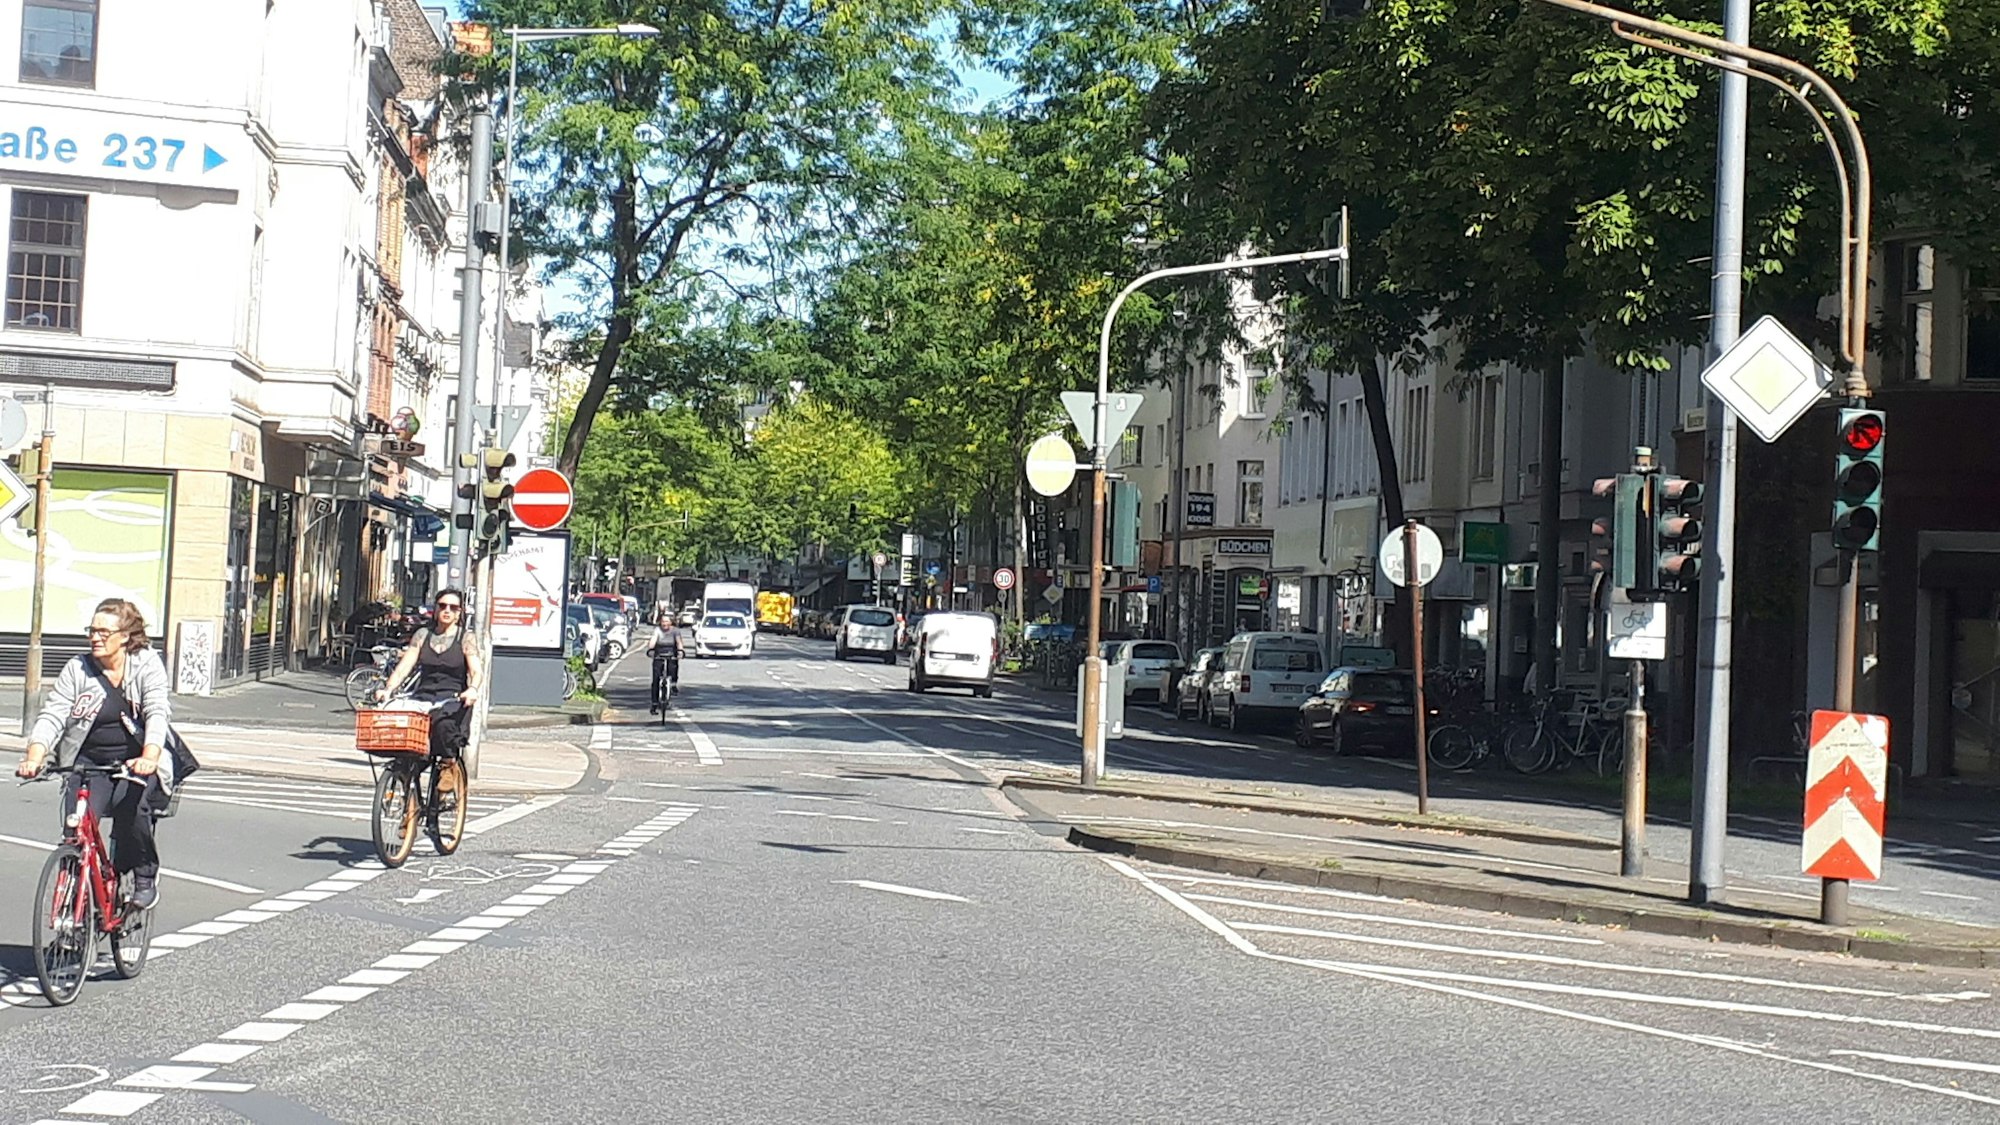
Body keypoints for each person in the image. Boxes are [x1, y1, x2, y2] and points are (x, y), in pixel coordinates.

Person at [16, 599, 175, 909]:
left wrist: (150, 756)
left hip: (134, 763)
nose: (95, 637)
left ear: (126, 636)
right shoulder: (78, 668)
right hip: (88, 763)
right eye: (92, 630)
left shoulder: (145, 663)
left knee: (135, 812)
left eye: (104, 631)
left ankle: (144, 874)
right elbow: (54, 714)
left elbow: (157, 711)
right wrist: (35, 755)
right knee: (75, 831)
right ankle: (69, 913)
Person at [377, 588, 484, 763]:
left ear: (459, 613)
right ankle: (404, 774)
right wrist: (388, 689)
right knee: (400, 727)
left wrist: (472, 689)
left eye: (453, 607)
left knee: (443, 729)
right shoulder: (422, 635)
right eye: (442, 606)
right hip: (423, 697)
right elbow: (405, 666)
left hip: (452, 700)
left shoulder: (465, 638)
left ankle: (447, 766)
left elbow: (476, 671)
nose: (447, 610)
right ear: (435, 609)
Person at [648, 608, 684, 714]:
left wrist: (680, 652)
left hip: (671, 653)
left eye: (667, 621)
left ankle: (673, 684)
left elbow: (679, 642)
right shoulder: (657, 630)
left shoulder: (675, 631)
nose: (664, 624)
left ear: (671, 622)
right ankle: (654, 703)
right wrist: (650, 649)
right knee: (656, 679)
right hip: (659, 653)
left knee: (673, 666)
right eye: (663, 622)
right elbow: (653, 641)